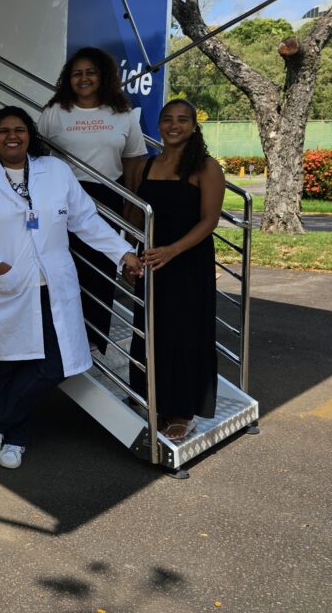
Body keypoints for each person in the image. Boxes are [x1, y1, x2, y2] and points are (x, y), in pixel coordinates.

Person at [0, 106, 142, 469]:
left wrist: (122, 252)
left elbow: (85, 220)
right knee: (9, 365)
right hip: (6, 285)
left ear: (30, 135)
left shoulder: (55, 172)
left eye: (19, 129)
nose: (12, 136)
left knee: (52, 364)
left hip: (51, 285)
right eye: (3, 131)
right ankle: (13, 440)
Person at [39, 47, 147, 358]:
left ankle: (93, 338)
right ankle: (59, 335)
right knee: (63, 267)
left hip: (107, 196)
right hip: (62, 196)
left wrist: (130, 211)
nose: (83, 78)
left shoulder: (122, 114)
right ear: (68, 79)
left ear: (103, 76)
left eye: (90, 72)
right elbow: (38, 158)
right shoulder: (54, 112)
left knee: (100, 268)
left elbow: (134, 164)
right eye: (77, 73)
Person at [127, 99, 223, 441]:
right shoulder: (145, 166)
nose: (173, 125)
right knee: (152, 330)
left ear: (194, 126)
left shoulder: (206, 167)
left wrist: (173, 251)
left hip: (188, 262)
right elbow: (135, 218)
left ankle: (182, 412)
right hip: (152, 260)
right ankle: (154, 400)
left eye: (183, 119)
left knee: (184, 335)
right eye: (167, 119)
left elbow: (209, 221)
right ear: (159, 125)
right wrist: (130, 255)